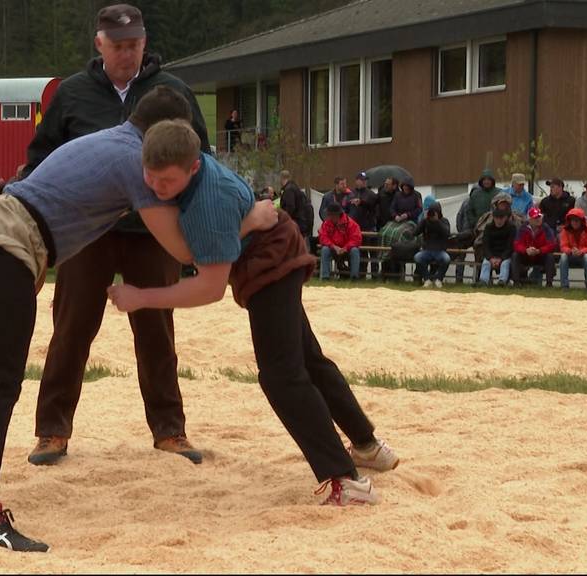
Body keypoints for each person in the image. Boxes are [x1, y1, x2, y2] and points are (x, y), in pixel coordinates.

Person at [0, 87, 259, 553]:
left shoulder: (110, 140)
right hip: (7, 247)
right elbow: (182, 250)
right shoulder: (135, 161)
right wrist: (248, 220)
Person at [108, 119, 399, 508]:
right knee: (308, 360)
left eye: (167, 181)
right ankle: (366, 446)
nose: (156, 187)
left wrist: (141, 297)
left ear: (194, 167)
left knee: (281, 376)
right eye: (151, 177)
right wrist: (244, 223)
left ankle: (346, 481)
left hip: (269, 265)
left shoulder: (207, 203)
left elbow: (209, 288)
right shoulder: (187, 169)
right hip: (270, 253)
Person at [23, 4, 210, 467]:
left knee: (157, 331)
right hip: (87, 232)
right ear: (99, 44)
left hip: (153, 232)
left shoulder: (174, 93)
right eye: (118, 46)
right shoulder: (71, 94)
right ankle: (52, 431)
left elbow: (200, 159)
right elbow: (40, 159)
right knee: (71, 328)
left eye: (134, 45)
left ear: (145, 43)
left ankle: (170, 430)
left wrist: (200, 228)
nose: (127, 54)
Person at [512, 207, 557, 287]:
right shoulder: (522, 228)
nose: (538, 219)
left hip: (540, 255)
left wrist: (539, 250)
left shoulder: (546, 228)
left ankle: (549, 283)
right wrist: (526, 250)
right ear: (529, 219)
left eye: (539, 217)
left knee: (550, 256)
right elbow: (516, 244)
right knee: (515, 255)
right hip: (526, 255)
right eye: (535, 217)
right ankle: (516, 282)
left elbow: (552, 244)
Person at [317, 203, 361, 281]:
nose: (328, 216)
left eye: (329, 214)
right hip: (333, 248)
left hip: (347, 249)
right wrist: (333, 246)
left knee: (355, 251)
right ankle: (325, 277)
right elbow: (322, 237)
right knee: (325, 250)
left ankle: (354, 277)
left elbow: (356, 238)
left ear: (336, 215)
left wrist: (345, 248)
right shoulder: (326, 224)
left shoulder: (351, 223)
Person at [413, 202, 451, 288]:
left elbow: (447, 234)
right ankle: (427, 279)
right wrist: (423, 221)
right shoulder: (425, 222)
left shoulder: (444, 221)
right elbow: (415, 233)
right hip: (427, 250)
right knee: (417, 257)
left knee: (447, 259)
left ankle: (439, 279)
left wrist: (437, 222)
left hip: (440, 250)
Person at [558, 208, 587, 291]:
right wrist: (570, 251)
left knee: (586, 256)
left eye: (577, 220)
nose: (574, 222)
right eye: (572, 220)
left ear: (581, 221)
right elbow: (563, 246)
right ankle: (564, 286)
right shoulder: (565, 230)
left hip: (586, 257)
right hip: (570, 256)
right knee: (563, 256)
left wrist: (581, 252)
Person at [348, 171, 378, 279]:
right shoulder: (351, 193)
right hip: (354, 227)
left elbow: (372, 205)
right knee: (361, 252)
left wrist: (361, 202)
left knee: (373, 252)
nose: (364, 182)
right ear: (356, 181)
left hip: (368, 227)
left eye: (365, 180)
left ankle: (375, 275)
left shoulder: (371, 194)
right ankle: (361, 274)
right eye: (361, 180)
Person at [479, 207, 516, 286]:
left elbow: (510, 246)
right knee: (486, 263)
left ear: (505, 218)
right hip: (492, 254)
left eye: (501, 218)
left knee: (505, 264)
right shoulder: (488, 227)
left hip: (506, 255)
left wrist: (501, 258)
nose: (499, 220)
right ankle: (483, 281)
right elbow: (485, 245)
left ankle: (502, 281)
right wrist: (491, 258)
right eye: (497, 218)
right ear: (493, 217)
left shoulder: (511, 228)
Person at [279, 170, 313, 242]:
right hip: (303, 221)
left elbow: (290, 207)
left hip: (297, 222)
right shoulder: (295, 188)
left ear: (281, 178)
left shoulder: (289, 190)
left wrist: (285, 219)